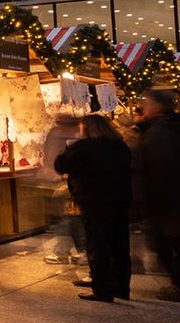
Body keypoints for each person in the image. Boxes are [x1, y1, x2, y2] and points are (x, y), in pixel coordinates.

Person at [54, 115, 132, 302]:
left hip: (95, 200)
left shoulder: (85, 146)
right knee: (120, 242)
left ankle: (103, 288)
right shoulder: (120, 145)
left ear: (87, 129)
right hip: (121, 198)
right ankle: (121, 286)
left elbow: (61, 165)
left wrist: (69, 147)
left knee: (98, 243)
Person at [133, 90, 180, 302]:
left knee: (167, 244)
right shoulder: (174, 127)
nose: (142, 106)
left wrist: (147, 200)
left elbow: (158, 169)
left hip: (168, 201)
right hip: (174, 199)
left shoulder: (159, 133)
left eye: (146, 102)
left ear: (158, 107)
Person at [39, 113, 84, 265]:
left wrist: (53, 173)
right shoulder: (76, 134)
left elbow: (53, 159)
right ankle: (76, 250)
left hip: (62, 180)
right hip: (67, 180)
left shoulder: (58, 134)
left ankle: (65, 252)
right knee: (70, 218)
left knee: (66, 218)